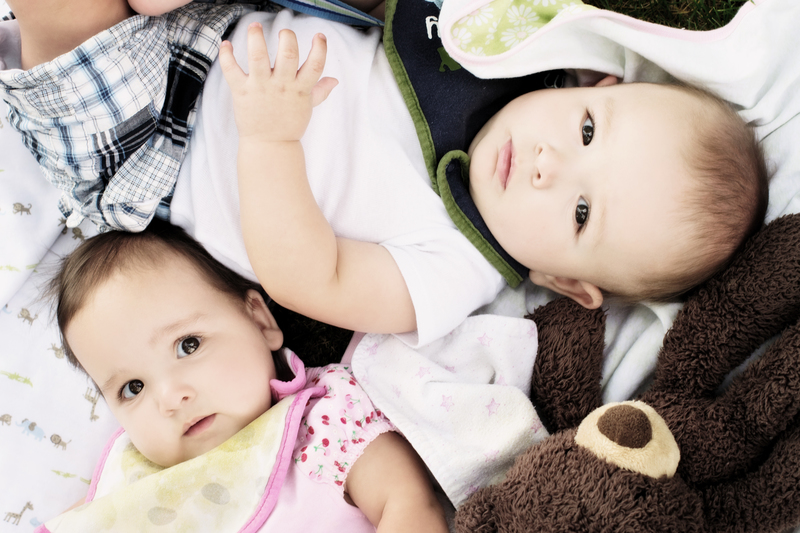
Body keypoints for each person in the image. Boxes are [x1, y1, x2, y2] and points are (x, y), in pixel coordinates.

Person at [0, 1, 769, 347]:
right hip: (220, 26)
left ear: (567, 281)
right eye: (588, 130)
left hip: (152, 150)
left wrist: (270, 140)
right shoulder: (499, 52)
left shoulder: (456, 270)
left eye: (580, 212)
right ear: (595, 85)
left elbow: (310, 274)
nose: (549, 164)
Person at [47, 218, 449, 532]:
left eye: (189, 345)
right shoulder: (132, 490)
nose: (169, 398)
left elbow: (407, 503)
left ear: (258, 320)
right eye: (132, 388)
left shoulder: (324, 421)